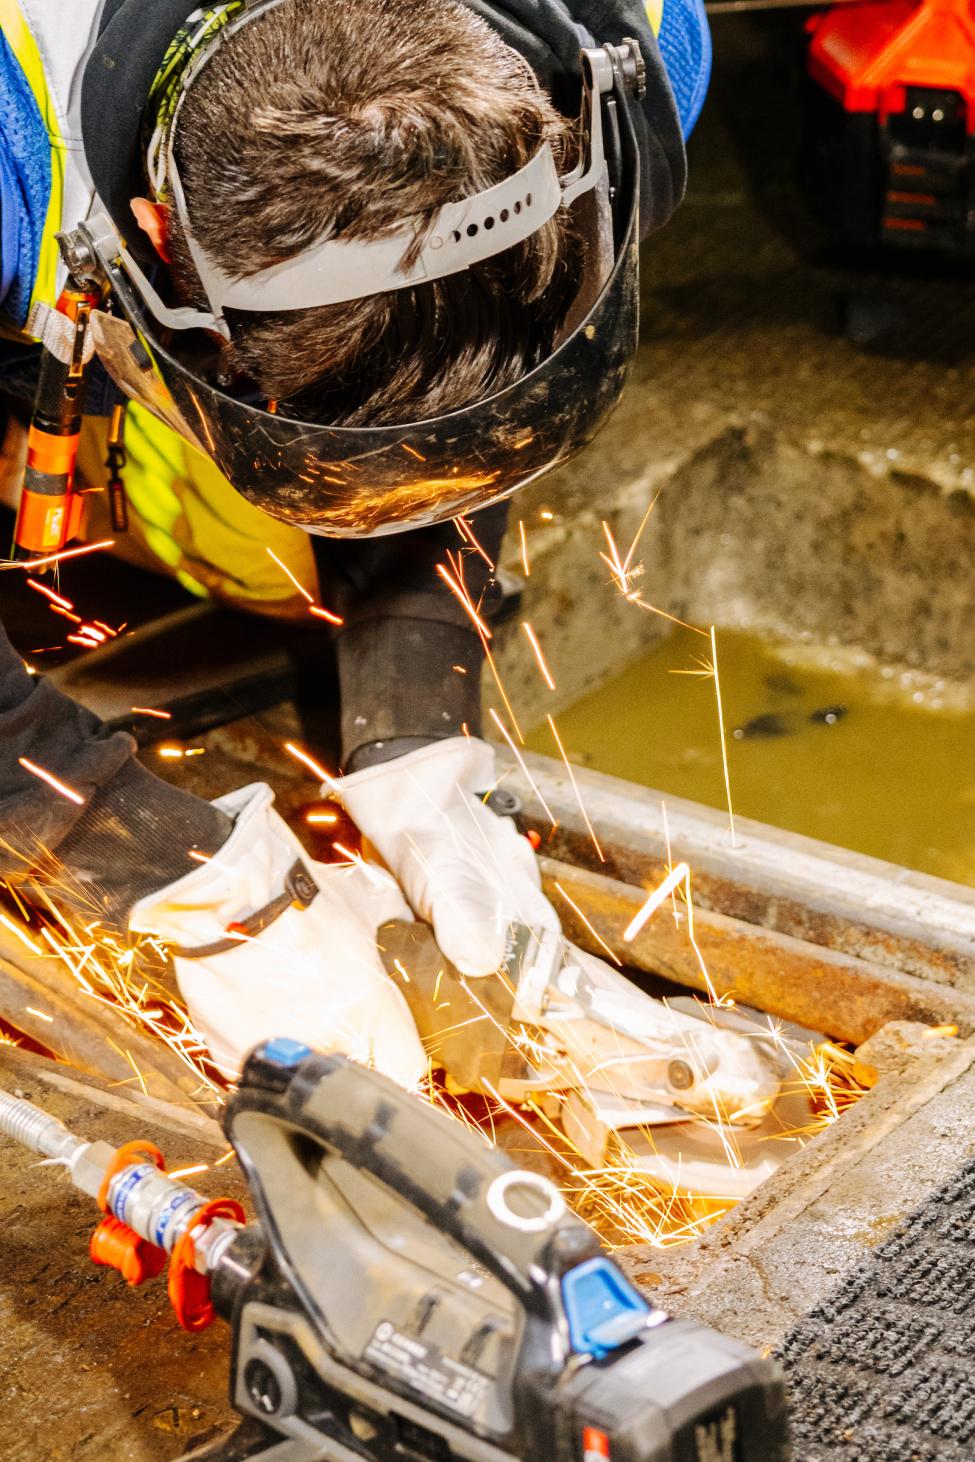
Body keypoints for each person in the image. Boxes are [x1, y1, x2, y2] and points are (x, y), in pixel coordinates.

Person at [0, 0, 710, 1083]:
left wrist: (417, 721)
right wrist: (132, 848)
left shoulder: (637, 47)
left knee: (278, 545)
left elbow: (466, 346)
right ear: (153, 237)